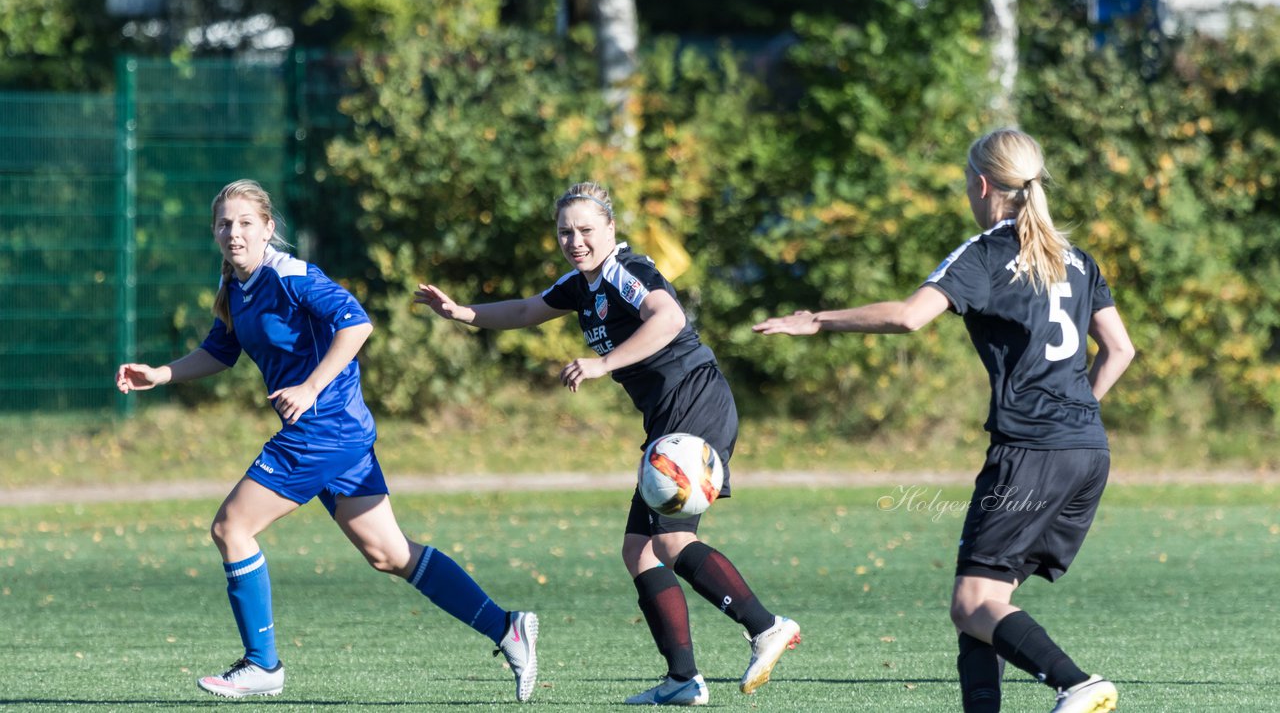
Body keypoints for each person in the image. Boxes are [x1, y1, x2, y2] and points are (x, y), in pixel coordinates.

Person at [114, 179, 539, 703]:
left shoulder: (291, 276)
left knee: (231, 527)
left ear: (269, 227)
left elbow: (356, 324)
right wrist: (160, 374)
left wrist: (310, 387)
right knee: (388, 553)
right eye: (225, 224)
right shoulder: (234, 285)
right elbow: (219, 352)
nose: (234, 232)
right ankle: (507, 628)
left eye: (246, 222)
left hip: (324, 428)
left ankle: (262, 665)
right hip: (334, 433)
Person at [754, 129, 1134, 713]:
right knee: (983, 601)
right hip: (1087, 451)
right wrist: (1078, 413)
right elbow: (1120, 349)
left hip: (1030, 452)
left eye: (966, 182)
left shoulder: (985, 253)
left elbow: (910, 317)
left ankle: (1074, 682)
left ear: (982, 184)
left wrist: (819, 320)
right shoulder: (1077, 259)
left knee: (972, 602)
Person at [415, 181, 801, 706]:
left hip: (695, 401)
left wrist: (603, 363)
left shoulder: (628, 271)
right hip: (668, 415)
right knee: (638, 551)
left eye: (585, 229)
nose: (575, 240)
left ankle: (766, 626)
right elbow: (528, 311)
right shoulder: (580, 284)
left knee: (670, 542)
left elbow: (670, 318)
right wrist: (463, 314)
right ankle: (684, 679)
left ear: (610, 229)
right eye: (565, 232)